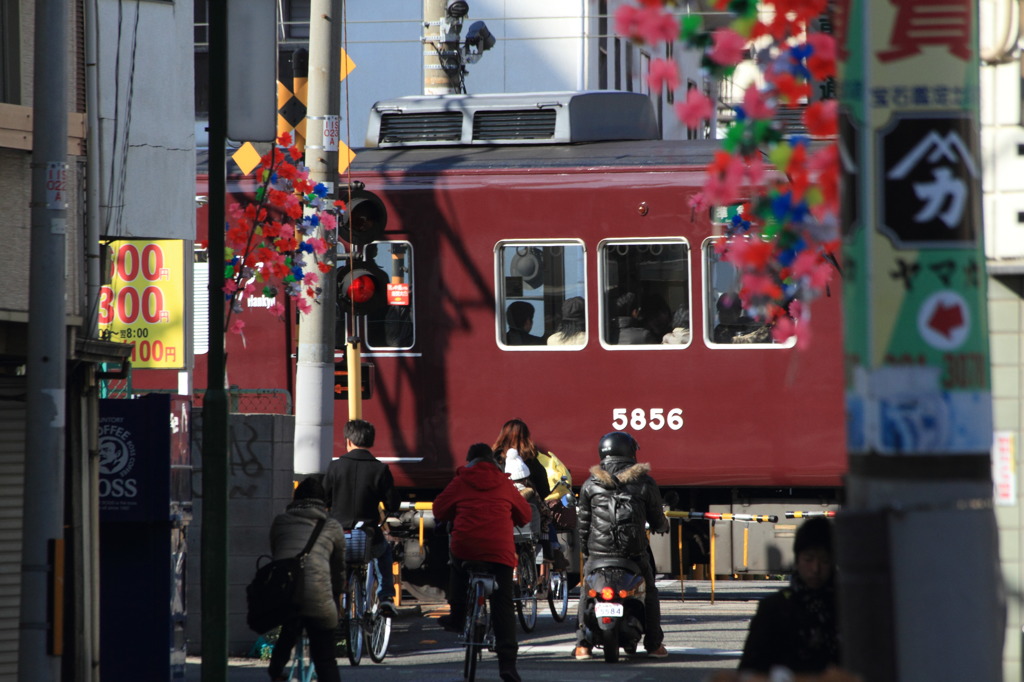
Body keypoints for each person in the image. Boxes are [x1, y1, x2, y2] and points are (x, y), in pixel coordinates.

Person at [434, 443, 533, 682]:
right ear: (493, 461)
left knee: (456, 565)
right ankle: (507, 664)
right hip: (499, 552)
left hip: (466, 547)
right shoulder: (505, 483)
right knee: (503, 603)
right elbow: (525, 516)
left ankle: (457, 616)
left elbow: (438, 509)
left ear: (469, 460)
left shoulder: (461, 480)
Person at [574, 431, 669, 660]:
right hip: (633, 553)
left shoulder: (590, 484)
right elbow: (657, 518)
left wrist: (587, 551)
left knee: (587, 591)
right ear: (630, 452)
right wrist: (662, 525)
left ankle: (582, 646)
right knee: (650, 592)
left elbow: (583, 524)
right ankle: (654, 644)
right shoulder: (644, 481)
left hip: (599, 553)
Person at [266, 477, 347, 682]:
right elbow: (338, 569)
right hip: (319, 598)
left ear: (296, 497)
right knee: (325, 658)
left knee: (288, 628)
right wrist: (337, 595)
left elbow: (277, 554)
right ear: (323, 501)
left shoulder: (280, 521)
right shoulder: (332, 526)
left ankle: (275, 671)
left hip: (286, 594)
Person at [738, 516, 840, 677]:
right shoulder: (774, 609)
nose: (816, 568)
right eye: (809, 559)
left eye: (824, 560)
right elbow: (750, 671)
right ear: (797, 559)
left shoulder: (849, 609)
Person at [323, 419, 400, 610]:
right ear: (370, 441)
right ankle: (386, 598)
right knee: (384, 553)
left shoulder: (335, 467)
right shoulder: (380, 469)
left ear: (348, 441)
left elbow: (323, 499)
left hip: (339, 535)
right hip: (368, 536)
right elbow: (392, 503)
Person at [492, 418, 552, 502]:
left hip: (499, 507)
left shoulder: (494, 458)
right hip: (527, 507)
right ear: (525, 436)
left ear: (502, 435)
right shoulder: (530, 459)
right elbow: (543, 489)